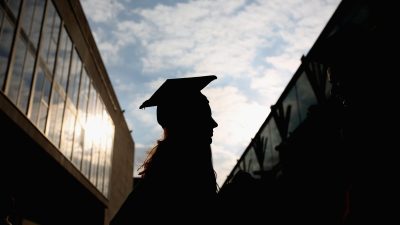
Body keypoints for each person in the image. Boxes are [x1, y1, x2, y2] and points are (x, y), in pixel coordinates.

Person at [110, 75, 219, 224]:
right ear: (186, 122)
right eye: (204, 116)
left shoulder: (156, 183)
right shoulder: (164, 188)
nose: (214, 124)